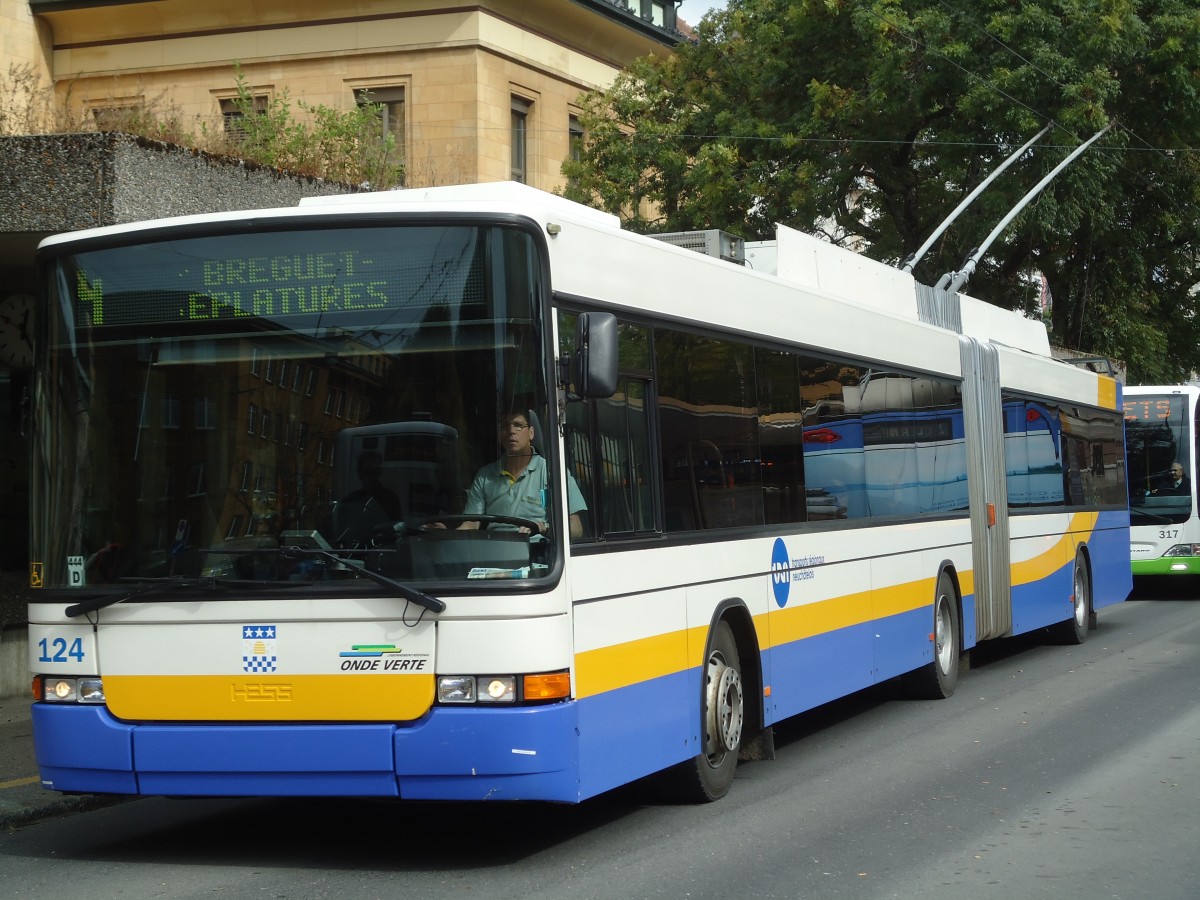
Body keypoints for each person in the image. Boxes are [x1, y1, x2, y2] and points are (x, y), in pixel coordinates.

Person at [438, 411, 587, 538]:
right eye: (504, 426)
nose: (511, 431)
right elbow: (471, 523)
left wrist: (544, 527)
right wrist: (446, 534)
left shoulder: (552, 472)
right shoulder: (485, 475)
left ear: (531, 433)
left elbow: (577, 529)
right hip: (493, 553)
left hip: (538, 555)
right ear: (499, 435)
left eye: (518, 425)